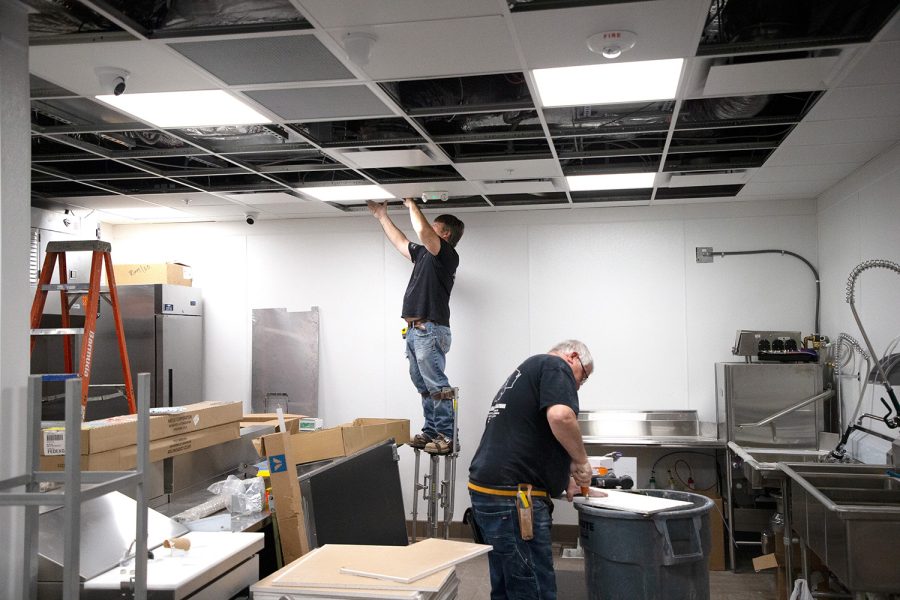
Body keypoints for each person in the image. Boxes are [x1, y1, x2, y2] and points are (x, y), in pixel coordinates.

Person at [467, 339, 602, 600]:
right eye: (582, 379)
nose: (577, 386)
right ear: (573, 357)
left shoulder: (523, 375)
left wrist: (564, 480)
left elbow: (529, 436)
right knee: (533, 589)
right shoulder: (555, 365)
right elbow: (561, 417)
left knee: (507, 585)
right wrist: (581, 461)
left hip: (489, 494)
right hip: (513, 501)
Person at [367, 197, 465, 454]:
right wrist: (382, 216)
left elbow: (422, 231)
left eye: (434, 227)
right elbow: (400, 241)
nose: (427, 230)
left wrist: (411, 204)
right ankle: (432, 431)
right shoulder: (423, 254)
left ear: (444, 234)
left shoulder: (447, 255)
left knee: (436, 384)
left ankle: (447, 435)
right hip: (414, 331)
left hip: (430, 330)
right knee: (423, 385)